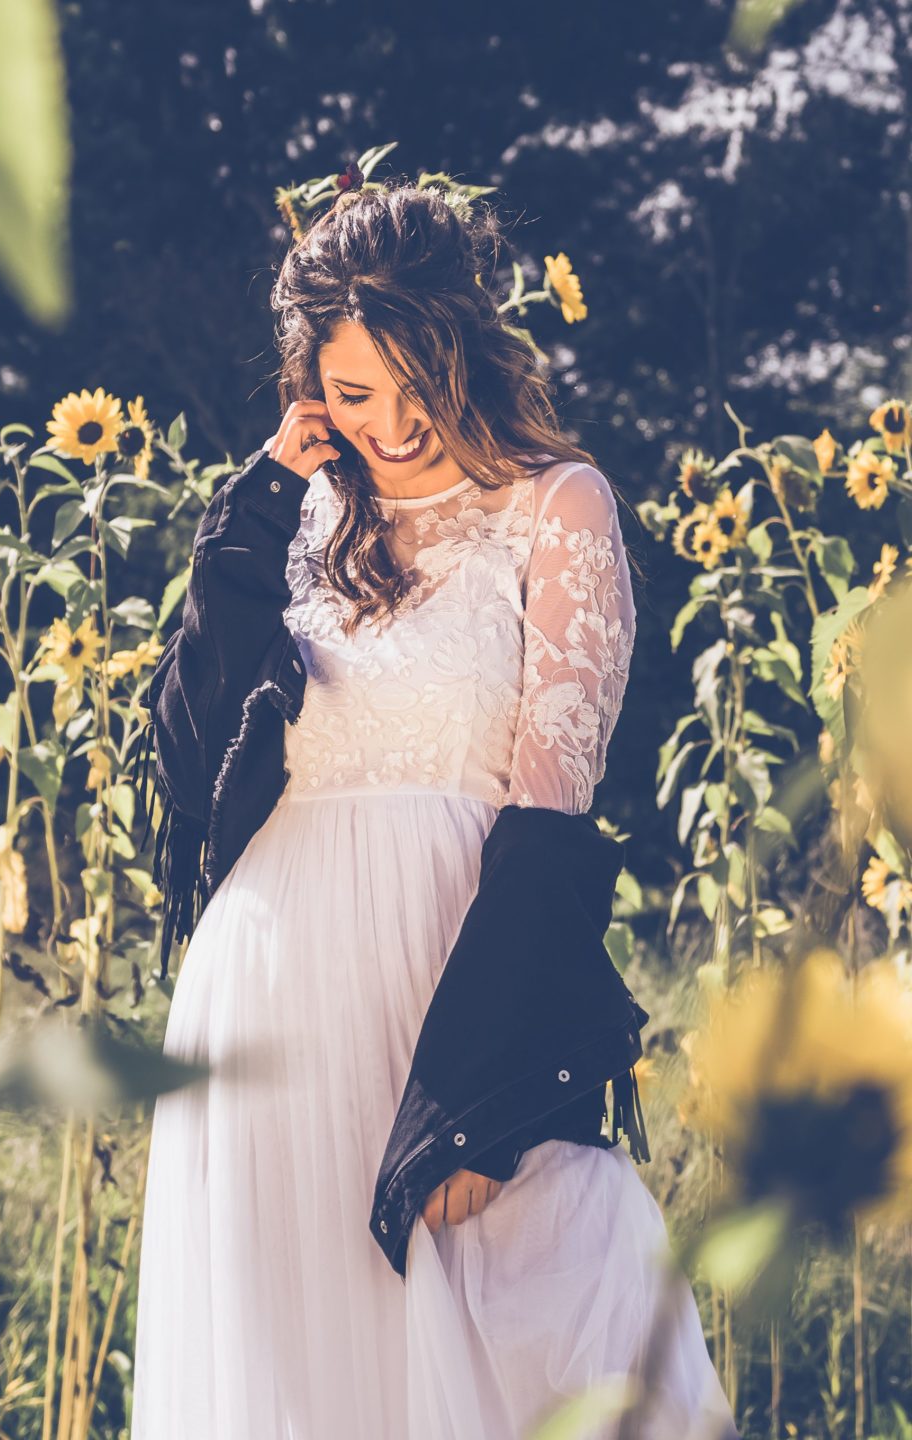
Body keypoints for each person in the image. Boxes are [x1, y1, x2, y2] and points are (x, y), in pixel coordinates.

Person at [129, 180, 737, 1439]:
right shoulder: (292, 514)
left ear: (467, 345)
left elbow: (552, 821)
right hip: (268, 1021)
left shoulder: (556, 509)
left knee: (568, 1330)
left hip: (462, 1009)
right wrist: (241, 528)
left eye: (415, 384)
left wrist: (478, 1093)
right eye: (352, 395)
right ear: (310, 385)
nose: (391, 428)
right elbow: (185, 786)